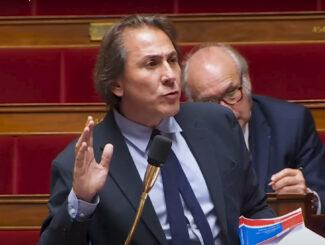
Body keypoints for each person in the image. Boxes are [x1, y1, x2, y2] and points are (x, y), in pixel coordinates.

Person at [39, 16, 274, 245]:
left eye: (172, 60)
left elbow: (253, 208)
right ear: (116, 84)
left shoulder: (217, 123)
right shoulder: (81, 162)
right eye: (151, 64)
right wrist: (81, 202)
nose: (170, 76)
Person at [183, 43, 325, 214]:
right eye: (210, 102)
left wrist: (306, 197)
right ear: (193, 104)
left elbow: (322, 196)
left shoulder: (291, 123)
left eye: (230, 94)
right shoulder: (180, 135)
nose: (225, 112)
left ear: (247, 83)